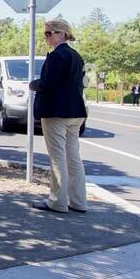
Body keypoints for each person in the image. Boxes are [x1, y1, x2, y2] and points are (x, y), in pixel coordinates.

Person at [29, 18, 88, 214]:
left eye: (49, 33)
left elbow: (48, 84)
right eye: (45, 33)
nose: (46, 36)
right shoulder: (76, 56)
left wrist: (33, 85)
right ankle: (79, 201)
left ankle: (58, 201)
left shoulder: (56, 57)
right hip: (75, 111)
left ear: (62, 33)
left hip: (56, 111)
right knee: (73, 157)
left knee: (57, 158)